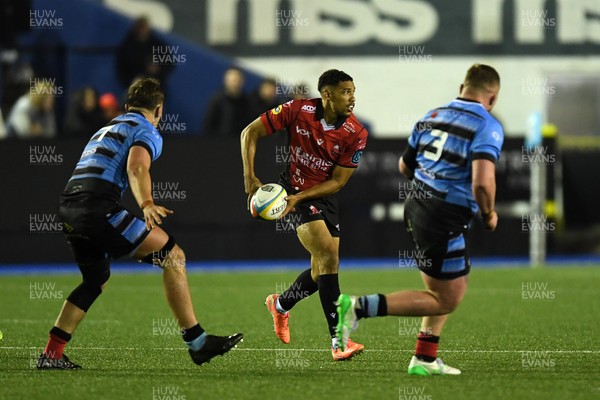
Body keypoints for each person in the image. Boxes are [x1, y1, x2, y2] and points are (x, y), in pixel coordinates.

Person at [37, 78, 242, 369]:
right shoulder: (146, 129)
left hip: (69, 208)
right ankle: (198, 343)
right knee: (173, 257)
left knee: (95, 281)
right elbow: (137, 166)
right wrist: (146, 204)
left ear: (126, 107)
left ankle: (51, 354)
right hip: (97, 209)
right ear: (159, 110)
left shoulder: (106, 128)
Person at [336, 64, 504, 375]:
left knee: (449, 285)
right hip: (444, 215)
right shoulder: (487, 125)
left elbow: (404, 166)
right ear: (491, 97)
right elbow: (483, 182)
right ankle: (357, 307)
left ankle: (424, 359)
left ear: (462, 86)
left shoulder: (432, 115)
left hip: (418, 206)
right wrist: (489, 214)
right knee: (445, 299)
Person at [241, 69, 368, 360]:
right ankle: (339, 341)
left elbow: (338, 181)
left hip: (321, 195)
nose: (352, 97)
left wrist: (302, 196)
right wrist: (249, 176)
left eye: (353, 91)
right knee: (329, 257)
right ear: (327, 94)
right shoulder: (298, 110)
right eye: (345, 91)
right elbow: (250, 132)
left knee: (318, 270)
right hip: (291, 189)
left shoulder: (357, 133)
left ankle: (281, 304)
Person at [116, 16, 173, 90]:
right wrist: (132, 81)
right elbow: (121, 67)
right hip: (133, 88)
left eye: (143, 27)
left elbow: (169, 65)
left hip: (156, 87)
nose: (141, 30)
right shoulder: (128, 46)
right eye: (139, 27)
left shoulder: (158, 45)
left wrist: (158, 69)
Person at [203, 67, 251, 137]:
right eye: (230, 80)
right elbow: (208, 126)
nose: (234, 83)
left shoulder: (247, 102)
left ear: (242, 81)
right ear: (225, 81)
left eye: (236, 80)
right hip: (219, 143)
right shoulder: (217, 101)